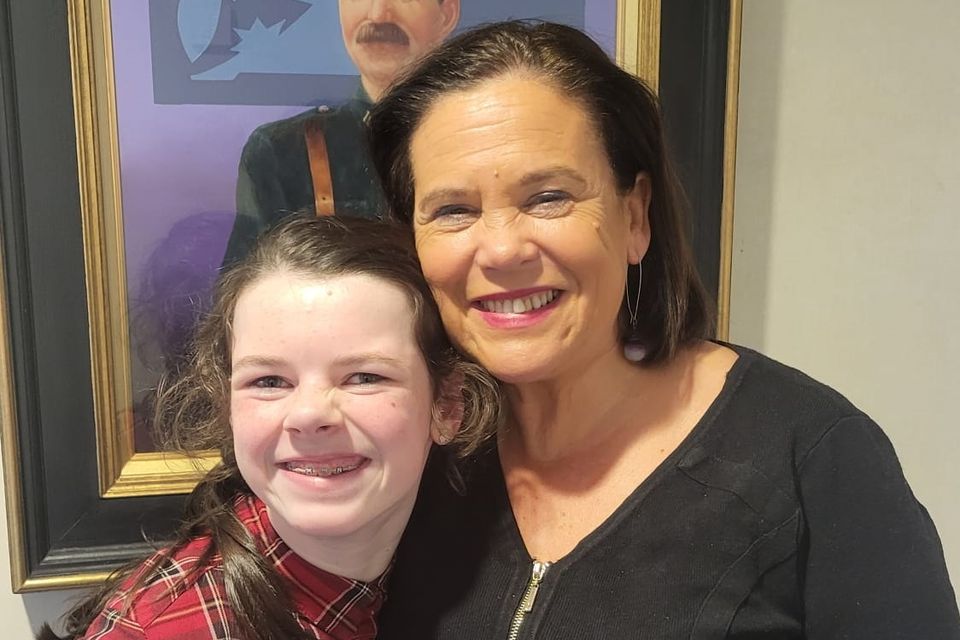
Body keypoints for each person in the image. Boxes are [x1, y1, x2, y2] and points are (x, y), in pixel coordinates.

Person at [366, 21, 960, 638]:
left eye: (547, 197)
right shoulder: (406, 454)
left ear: (635, 215)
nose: (500, 249)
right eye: (453, 211)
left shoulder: (809, 456)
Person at [37, 215, 499, 640]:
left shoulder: (442, 568)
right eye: (269, 381)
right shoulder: (182, 627)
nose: (309, 415)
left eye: (364, 376)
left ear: (447, 406)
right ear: (228, 405)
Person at [221, 0, 461, 266]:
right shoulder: (280, 152)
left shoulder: (483, 141)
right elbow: (248, 292)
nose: (379, 13)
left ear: (447, 14)